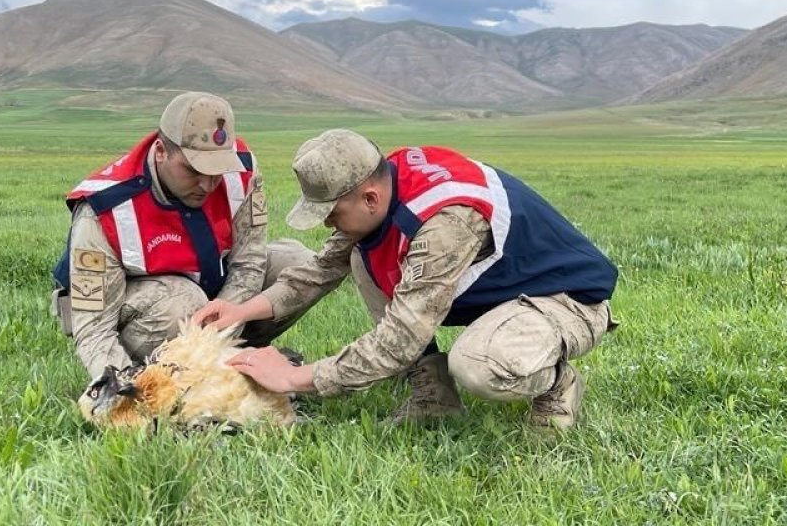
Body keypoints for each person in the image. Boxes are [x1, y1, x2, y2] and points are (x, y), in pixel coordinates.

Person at [193, 129, 618, 429]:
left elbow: (400, 339)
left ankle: (557, 382)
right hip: (504, 296)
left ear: (369, 198)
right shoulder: (382, 180)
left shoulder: (443, 226)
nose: (327, 226)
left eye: (331, 214)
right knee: (362, 257)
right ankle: (434, 398)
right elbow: (321, 269)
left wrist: (295, 379)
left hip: (564, 302)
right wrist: (240, 310)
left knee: (478, 366)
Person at [51, 92, 313, 379]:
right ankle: (165, 372)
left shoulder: (242, 170)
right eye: (193, 170)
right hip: (143, 308)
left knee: (299, 264)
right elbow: (94, 328)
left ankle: (229, 360)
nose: (208, 184)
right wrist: (120, 388)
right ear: (161, 151)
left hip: (210, 291)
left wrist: (220, 335)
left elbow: (249, 262)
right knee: (185, 300)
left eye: (217, 170)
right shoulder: (104, 209)